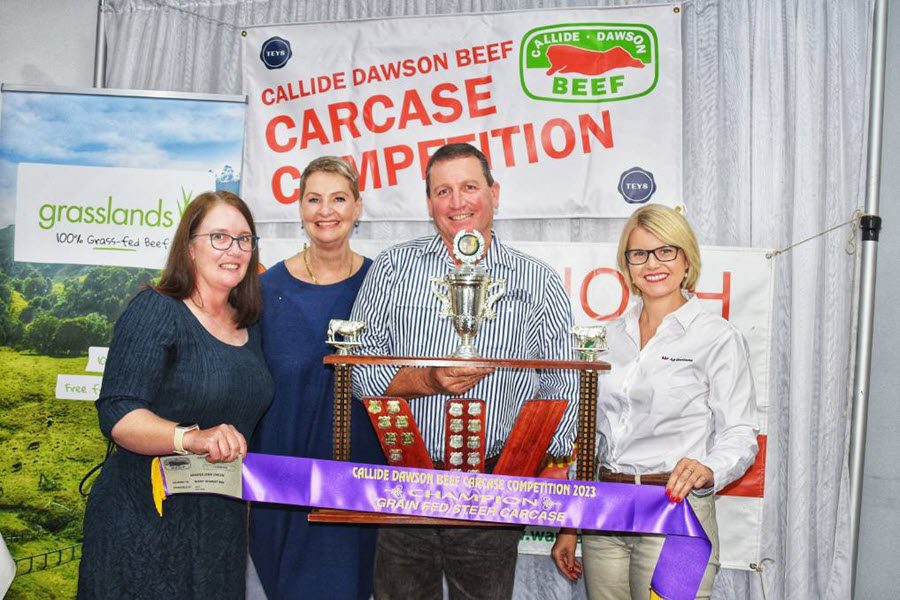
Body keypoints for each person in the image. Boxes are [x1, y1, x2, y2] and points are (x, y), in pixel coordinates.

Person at [349, 142, 579, 599]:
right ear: (429, 201)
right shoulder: (394, 268)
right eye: (443, 191)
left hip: (494, 484)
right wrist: (427, 379)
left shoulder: (537, 281)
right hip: (405, 482)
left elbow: (562, 383)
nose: (457, 203)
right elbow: (359, 372)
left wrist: (553, 463)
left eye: (469, 187)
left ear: (495, 193)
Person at [551, 204, 759, 599]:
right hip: (607, 514)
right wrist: (571, 523)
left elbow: (740, 431)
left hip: (678, 515)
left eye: (666, 251)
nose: (652, 263)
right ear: (627, 266)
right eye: (639, 254)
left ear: (686, 260)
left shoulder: (716, 337)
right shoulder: (609, 338)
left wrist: (708, 467)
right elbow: (592, 436)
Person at [77, 191, 274, 599]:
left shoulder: (250, 324)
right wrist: (192, 437)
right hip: (145, 520)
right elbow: (120, 414)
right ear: (189, 246)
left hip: (220, 525)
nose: (234, 249)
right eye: (219, 236)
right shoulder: (157, 308)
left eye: (244, 239)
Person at [249, 156, 384, 600]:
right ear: (300, 207)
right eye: (314, 199)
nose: (326, 211)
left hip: (357, 485)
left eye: (339, 198)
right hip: (282, 484)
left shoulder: (383, 285)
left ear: (358, 207)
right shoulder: (265, 291)